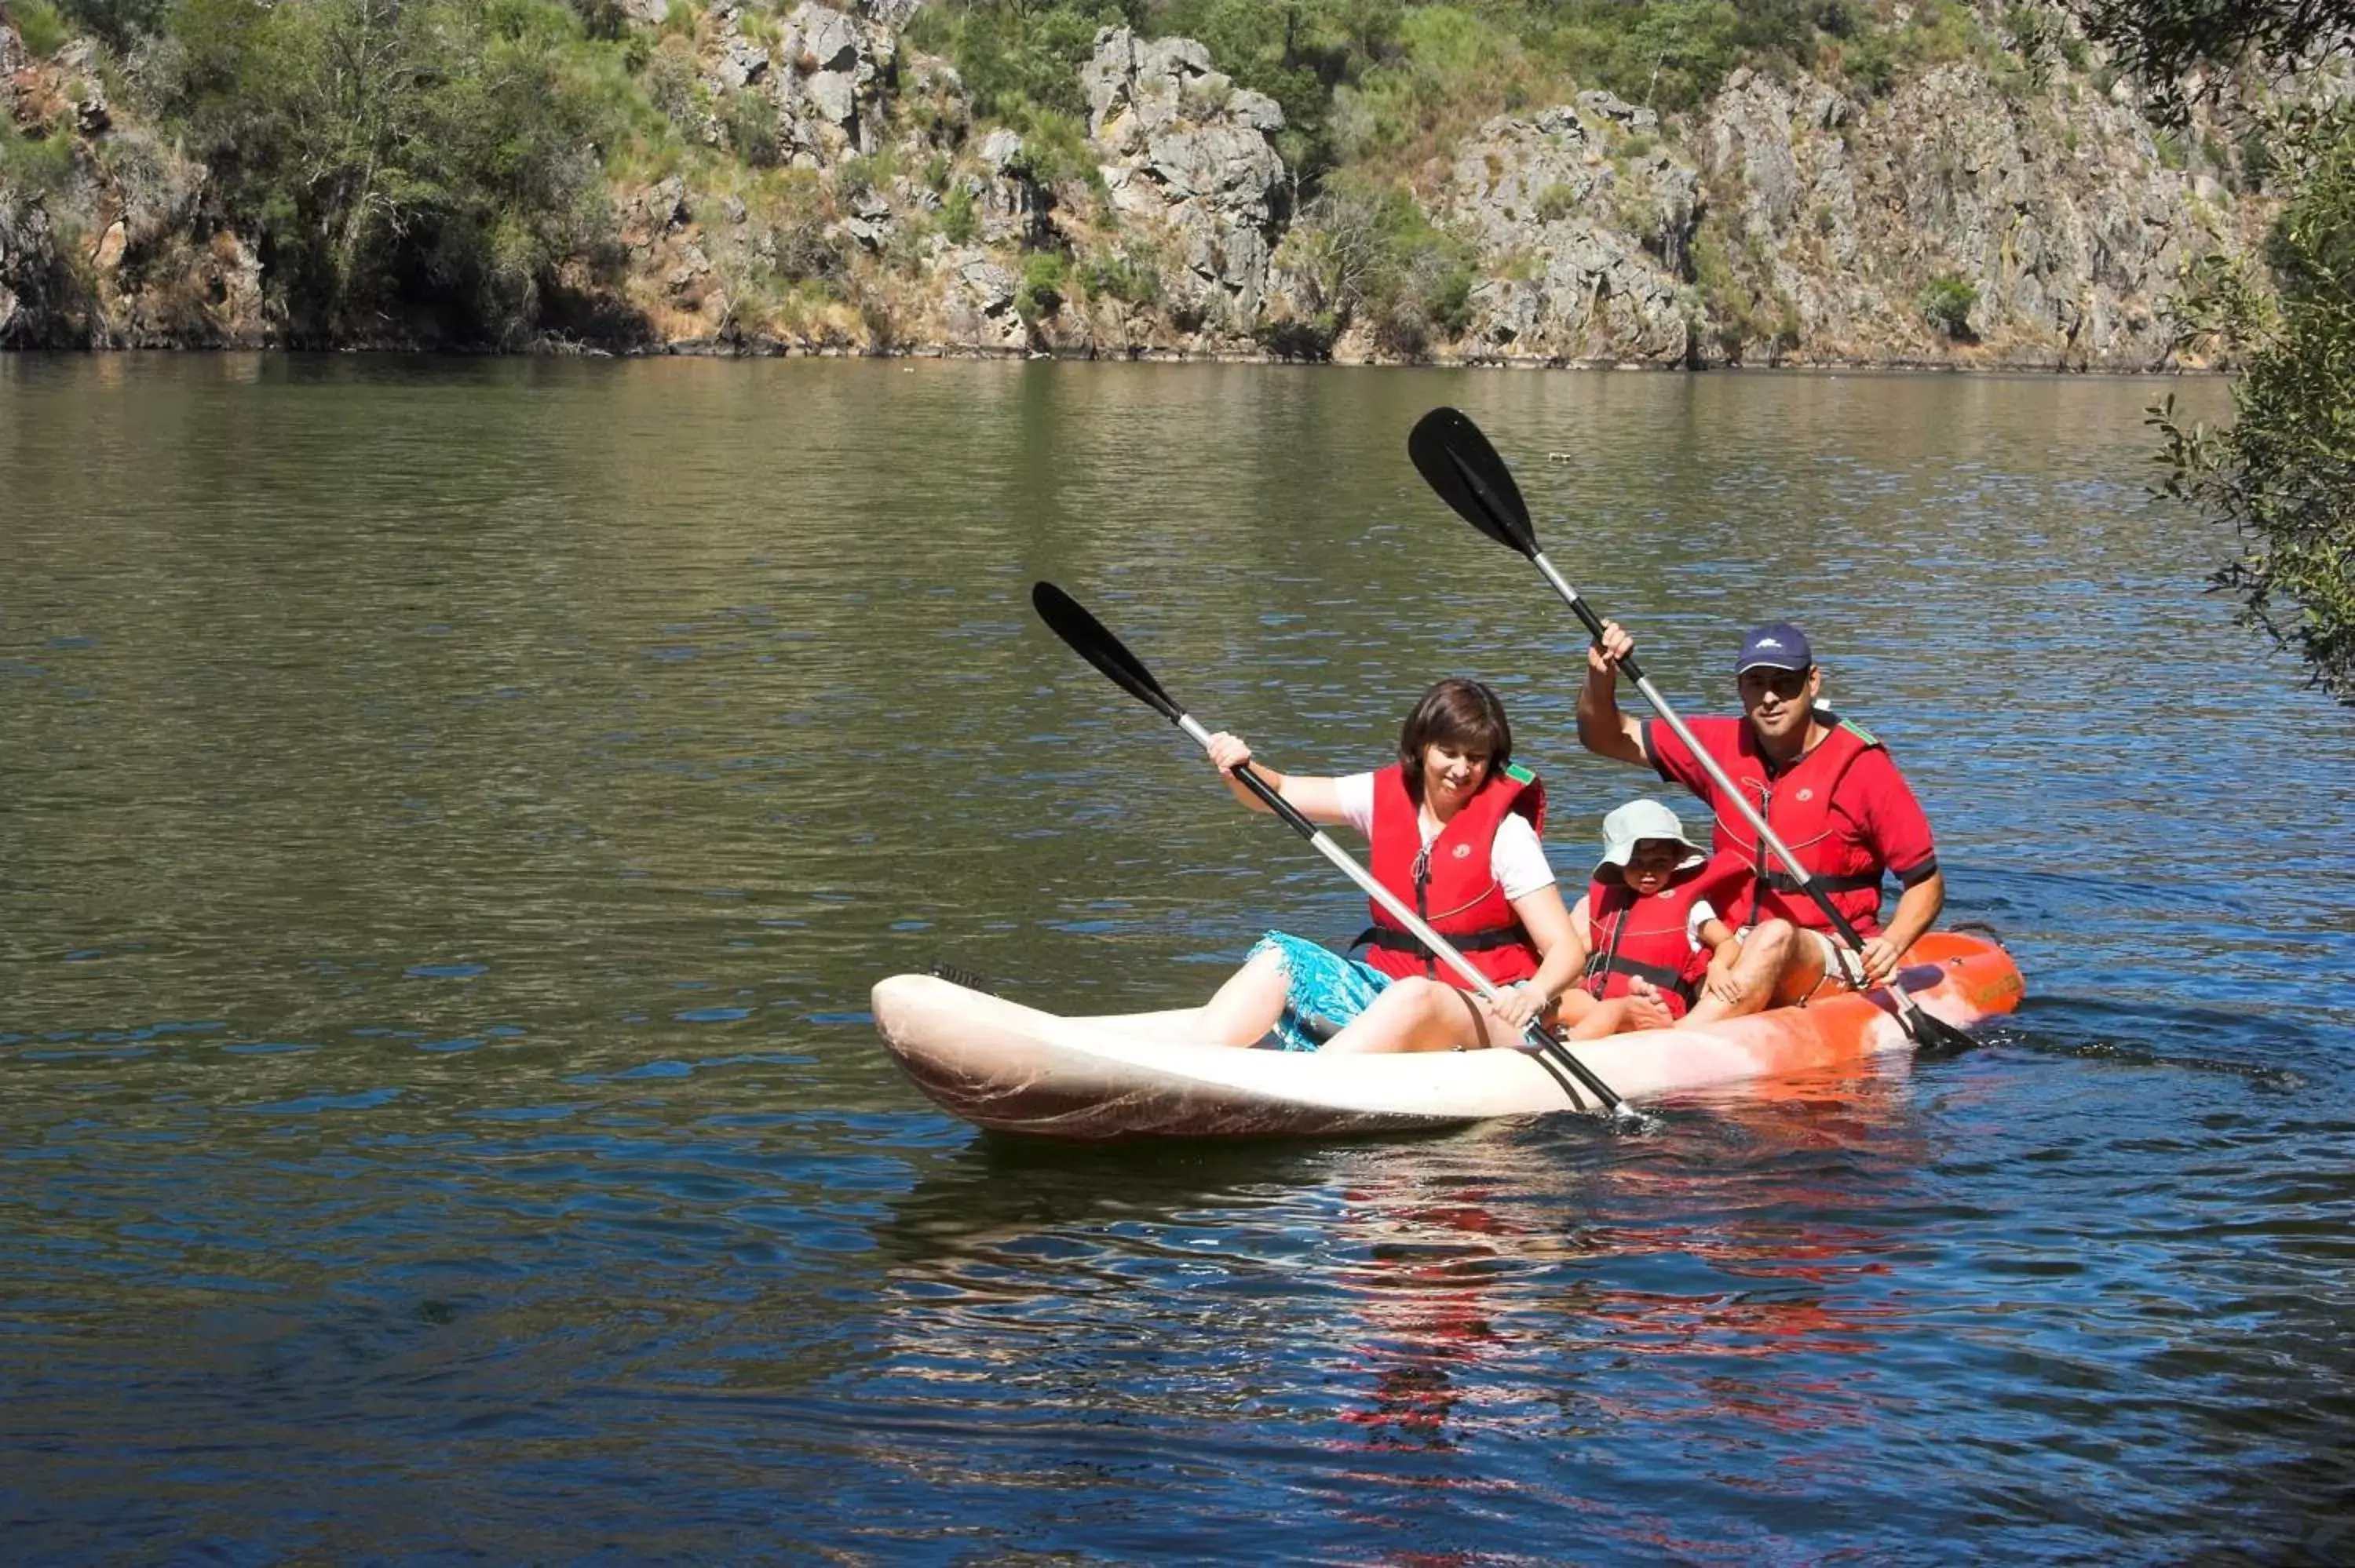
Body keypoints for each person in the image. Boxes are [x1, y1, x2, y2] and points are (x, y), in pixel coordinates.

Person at [1193, 677, 1674, 1056]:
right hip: (1391, 987)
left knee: (1415, 996)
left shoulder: (1507, 835)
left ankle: (1299, 1089)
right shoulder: (1381, 797)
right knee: (1280, 957)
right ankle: (1194, 1065)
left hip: (1491, 1009)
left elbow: (1566, 952)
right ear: (1422, 746)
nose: (1461, 770)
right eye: (1449, 752)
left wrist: (1533, 995)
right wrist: (1241, 768)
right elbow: (1275, 793)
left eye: (1477, 758)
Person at [1576, 619, 1943, 1007]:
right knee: (1600, 905)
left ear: (1813, 681)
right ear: (1740, 689)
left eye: (1784, 683)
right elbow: (1604, 736)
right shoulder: (1716, 747)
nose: (1770, 698)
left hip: (1828, 947)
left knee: (1773, 936)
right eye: (1757, 683)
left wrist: (1893, 942)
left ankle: (1687, 1040)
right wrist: (1600, 678)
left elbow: (1926, 881)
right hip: (1730, 941)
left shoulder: (1864, 766)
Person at [1564, 797, 1786, 1028]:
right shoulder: (1614, 906)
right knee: (1564, 1003)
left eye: (1659, 864)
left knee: (1607, 1014)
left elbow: (1726, 942)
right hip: (1599, 997)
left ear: (1674, 863)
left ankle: (1565, 1048)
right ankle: (1534, 1038)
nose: (1647, 873)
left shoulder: (1694, 907)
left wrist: (1718, 966)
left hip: (1652, 1009)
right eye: (1636, 863)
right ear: (1619, 866)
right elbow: (1586, 947)